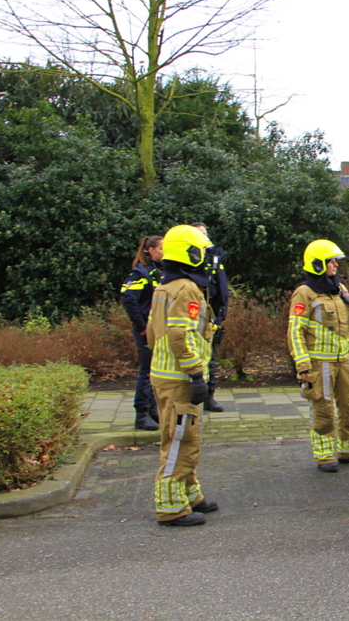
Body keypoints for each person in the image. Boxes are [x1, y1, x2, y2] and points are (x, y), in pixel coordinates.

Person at [147, 224, 218, 526]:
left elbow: (153, 333)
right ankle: (170, 507)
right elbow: (179, 333)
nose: (205, 257)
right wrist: (195, 373)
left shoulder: (165, 286)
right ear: (189, 254)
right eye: (201, 251)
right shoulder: (187, 288)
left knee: (183, 436)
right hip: (179, 379)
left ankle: (190, 494)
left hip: (165, 375)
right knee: (180, 440)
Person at [288, 239, 349, 473]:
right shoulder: (304, 293)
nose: (335, 265)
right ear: (316, 264)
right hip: (319, 363)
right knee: (323, 410)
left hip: (344, 360)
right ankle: (324, 456)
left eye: (335, 261)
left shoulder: (340, 289)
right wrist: (302, 363)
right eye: (331, 261)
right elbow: (295, 331)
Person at [120, 235, 163, 431]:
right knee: (147, 372)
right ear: (150, 250)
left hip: (160, 329)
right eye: (162, 248)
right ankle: (142, 413)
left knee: (157, 372)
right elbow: (128, 299)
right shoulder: (140, 273)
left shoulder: (160, 272)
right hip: (147, 330)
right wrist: (142, 326)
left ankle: (154, 409)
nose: (165, 252)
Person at [190, 222, 229, 412]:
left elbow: (221, 286)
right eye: (199, 234)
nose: (204, 238)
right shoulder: (189, 260)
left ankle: (208, 396)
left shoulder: (214, 257)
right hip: (193, 315)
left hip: (212, 315)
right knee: (194, 357)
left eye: (205, 234)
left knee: (210, 359)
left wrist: (222, 313)